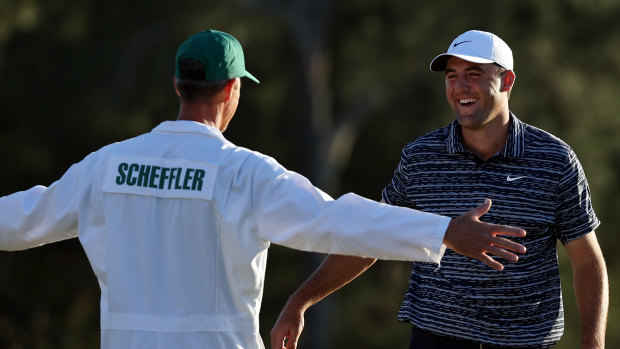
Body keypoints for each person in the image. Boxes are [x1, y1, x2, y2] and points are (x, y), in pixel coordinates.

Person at [0, 29, 528, 349]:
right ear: (232, 90)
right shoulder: (243, 172)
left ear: (177, 87)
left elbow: (17, 220)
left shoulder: (105, 166)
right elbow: (337, 221)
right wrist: (443, 231)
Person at [270, 30, 608, 349]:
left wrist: (593, 343)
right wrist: (300, 302)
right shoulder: (421, 157)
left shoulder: (554, 159)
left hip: (524, 341)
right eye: (451, 76)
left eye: (474, 74)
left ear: (507, 81)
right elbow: (373, 237)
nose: (460, 86)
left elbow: (586, 260)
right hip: (436, 337)